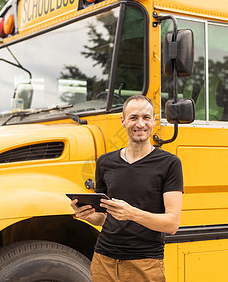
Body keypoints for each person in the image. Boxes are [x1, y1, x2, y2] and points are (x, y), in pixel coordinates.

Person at [70, 95, 183, 282]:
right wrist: (88, 215)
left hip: (145, 263)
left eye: (146, 117)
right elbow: (103, 217)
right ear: (123, 121)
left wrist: (132, 214)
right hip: (103, 260)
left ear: (154, 121)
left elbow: (172, 224)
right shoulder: (105, 162)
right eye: (133, 118)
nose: (140, 124)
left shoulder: (169, 163)